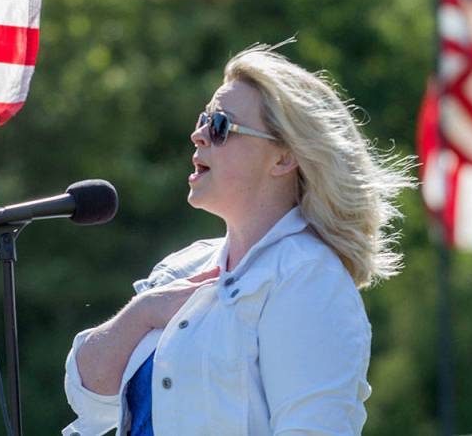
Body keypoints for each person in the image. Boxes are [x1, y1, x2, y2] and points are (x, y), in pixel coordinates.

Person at [63, 43, 414, 435]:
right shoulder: (183, 265)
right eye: (203, 119)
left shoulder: (308, 277)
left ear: (283, 158)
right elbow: (90, 401)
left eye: (220, 126)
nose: (198, 135)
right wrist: (144, 310)